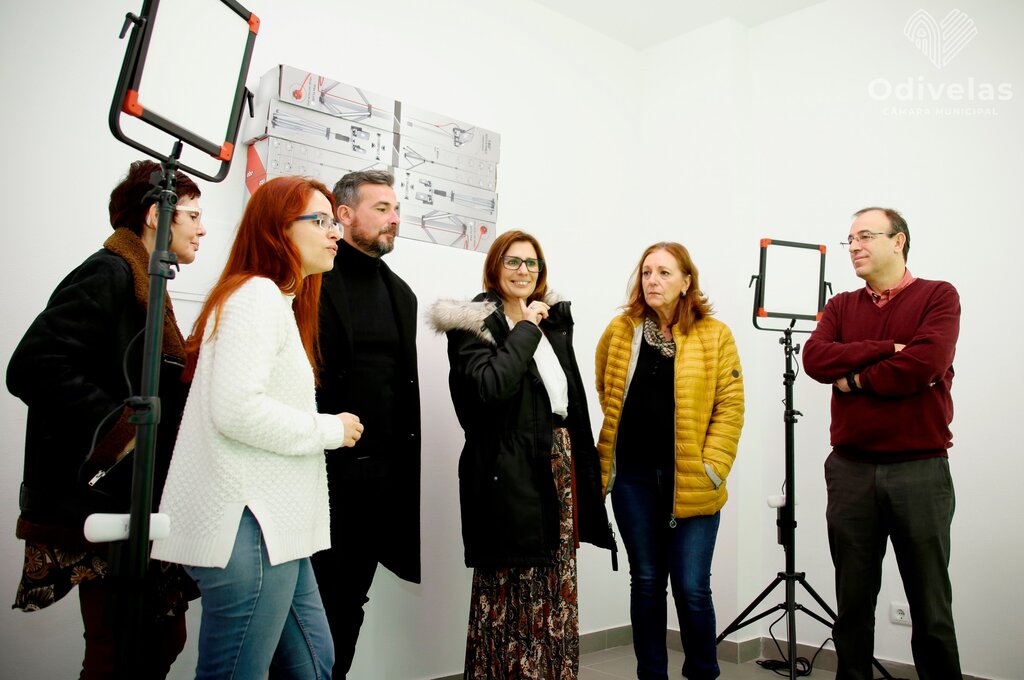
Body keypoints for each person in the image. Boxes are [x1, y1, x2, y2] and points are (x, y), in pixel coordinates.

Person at [151, 176, 363, 680]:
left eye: (334, 221)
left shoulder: (275, 301)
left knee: (314, 664)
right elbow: (237, 411)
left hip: (274, 527)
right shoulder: (256, 296)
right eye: (321, 220)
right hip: (249, 525)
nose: (335, 232)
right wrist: (329, 430)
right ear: (277, 229)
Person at [6, 159, 205, 679]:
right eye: (192, 215)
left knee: (158, 639)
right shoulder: (110, 272)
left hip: (130, 498)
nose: (202, 228)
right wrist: (122, 430)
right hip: (100, 498)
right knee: (120, 647)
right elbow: (33, 366)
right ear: (156, 216)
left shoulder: (145, 280)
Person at [428, 230, 617, 680]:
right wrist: (527, 329)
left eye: (531, 263)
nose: (523, 271)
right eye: (512, 261)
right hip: (508, 475)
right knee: (511, 589)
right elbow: (490, 388)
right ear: (494, 267)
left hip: (557, 466)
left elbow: (568, 404)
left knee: (553, 584)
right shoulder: (474, 324)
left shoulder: (550, 323)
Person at [802, 207, 962, 680]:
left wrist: (853, 379)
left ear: (899, 241)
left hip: (920, 471)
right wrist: (886, 347)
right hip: (850, 471)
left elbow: (925, 364)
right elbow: (815, 359)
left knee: (931, 608)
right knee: (852, 608)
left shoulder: (938, 296)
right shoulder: (840, 307)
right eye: (850, 239)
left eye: (865, 236)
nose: (854, 246)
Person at [595, 242, 744, 680]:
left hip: (694, 480)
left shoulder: (715, 335)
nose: (652, 281)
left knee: (692, 587)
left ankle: (702, 673)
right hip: (633, 480)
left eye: (663, 272)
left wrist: (713, 467)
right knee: (646, 581)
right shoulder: (621, 329)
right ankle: (652, 675)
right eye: (646, 272)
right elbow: (606, 386)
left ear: (686, 281)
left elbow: (730, 407)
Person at [310, 170, 421, 677]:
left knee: (350, 603)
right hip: (321, 474)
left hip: (380, 483)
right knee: (310, 607)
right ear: (344, 214)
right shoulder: (311, 281)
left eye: (396, 209)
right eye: (382, 208)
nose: (394, 218)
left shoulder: (402, 294)